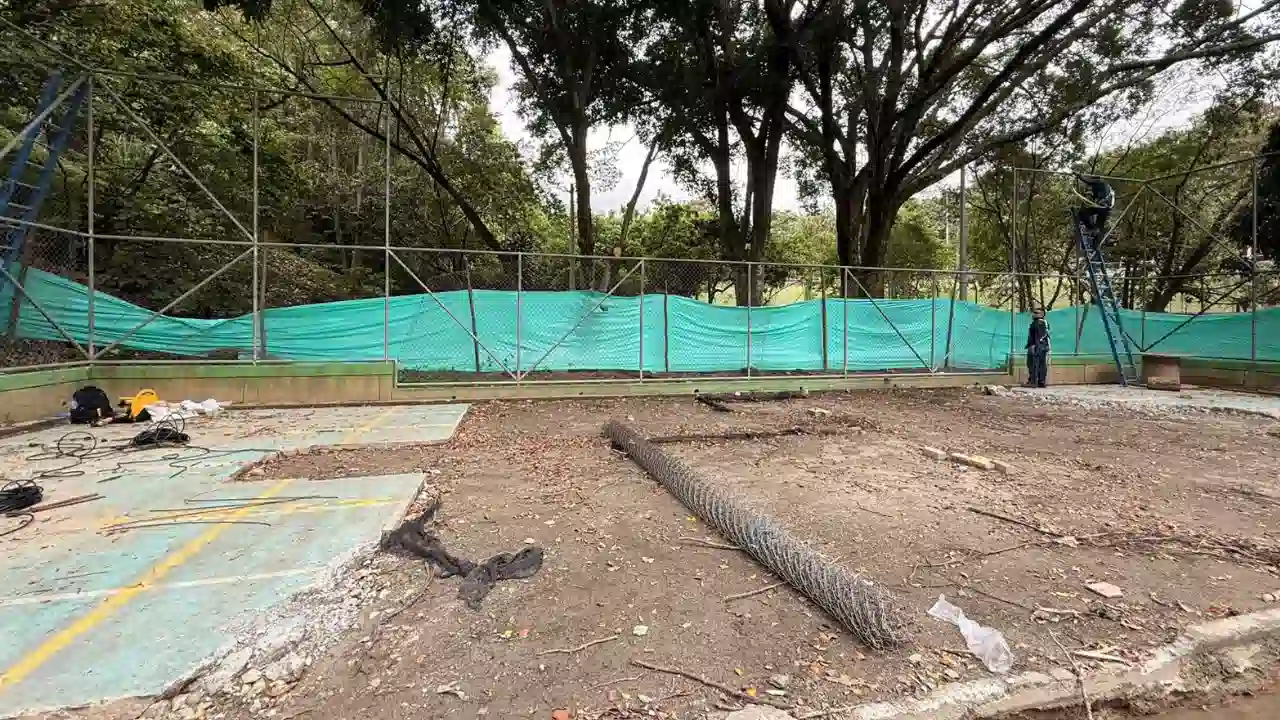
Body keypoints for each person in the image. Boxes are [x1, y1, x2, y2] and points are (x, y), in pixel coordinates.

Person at [1074, 173, 1115, 243]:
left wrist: (1079, 176)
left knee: (1082, 214)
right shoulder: (1106, 186)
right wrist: (1090, 194)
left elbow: (1087, 181)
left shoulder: (1099, 182)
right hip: (1106, 208)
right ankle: (1097, 240)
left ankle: (1092, 229)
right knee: (1098, 226)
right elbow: (1096, 197)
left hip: (1102, 207)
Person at [1025, 309, 1051, 388]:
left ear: (1042, 314)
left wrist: (1032, 346)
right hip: (1044, 346)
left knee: (1033, 364)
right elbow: (1046, 335)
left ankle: (1033, 381)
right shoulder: (1045, 323)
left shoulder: (1035, 323)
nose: (1033, 314)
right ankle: (1041, 381)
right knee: (1042, 364)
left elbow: (1036, 337)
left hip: (1037, 347)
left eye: (1036, 313)